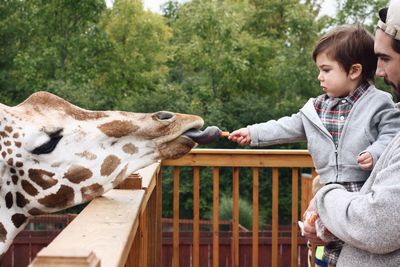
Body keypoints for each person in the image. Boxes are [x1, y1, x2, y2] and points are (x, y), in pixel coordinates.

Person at [229, 24, 400, 266]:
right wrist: (252, 133)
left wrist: (374, 152)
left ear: (354, 71)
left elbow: (392, 136)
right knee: (321, 245)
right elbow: (287, 126)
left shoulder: (379, 103)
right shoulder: (317, 108)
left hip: (361, 194)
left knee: (356, 249)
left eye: (326, 70)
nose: (320, 76)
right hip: (328, 192)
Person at [303, 0, 400, 265]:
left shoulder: (379, 106)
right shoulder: (322, 106)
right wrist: (253, 134)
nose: (378, 72)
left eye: (385, 58)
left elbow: (379, 225)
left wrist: (324, 197)